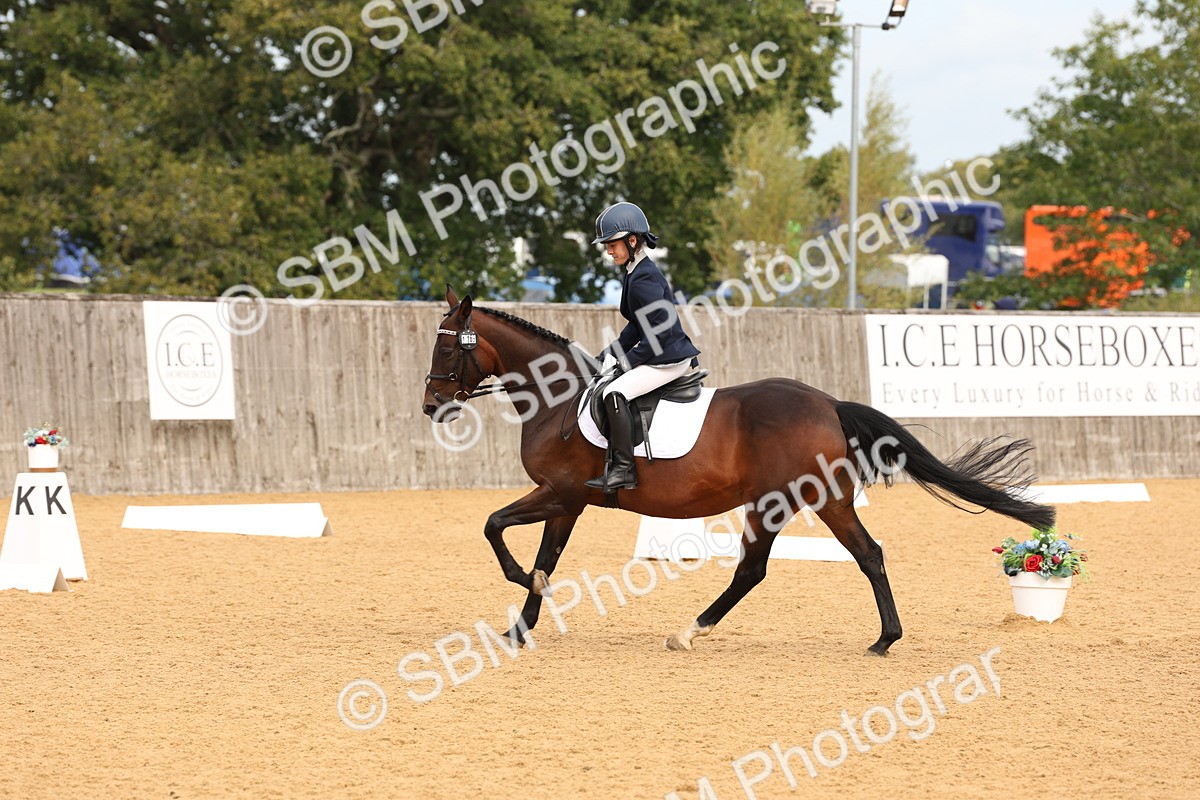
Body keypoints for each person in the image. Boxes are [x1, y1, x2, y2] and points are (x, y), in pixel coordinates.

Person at [585, 201, 700, 493]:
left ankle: (623, 470)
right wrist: (608, 354)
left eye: (612, 244)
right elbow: (638, 326)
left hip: (669, 357)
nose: (608, 251)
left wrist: (625, 363)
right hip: (659, 351)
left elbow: (658, 333)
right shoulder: (636, 271)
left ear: (632, 240)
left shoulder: (644, 275)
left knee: (614, 392)